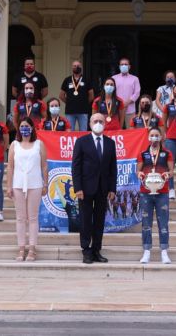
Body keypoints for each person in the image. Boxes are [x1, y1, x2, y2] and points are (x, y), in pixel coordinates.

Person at [71, 113, 117, 264]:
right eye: (95, 121)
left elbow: (113, 168)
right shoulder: (81, 141)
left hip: (103, 189)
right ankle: (86, 250)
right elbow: (76, 167)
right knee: (85, 220)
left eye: (101, 121)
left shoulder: (110, 143)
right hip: (84, 189)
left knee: (99, 220)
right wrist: (78, 188)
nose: (98, 123)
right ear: (90, 123)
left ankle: (97, 250)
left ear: (105, 124)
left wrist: (112, 189)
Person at [6, 117, 48, 262]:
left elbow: (44, 165)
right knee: (20, 217)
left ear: (32, 128)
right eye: (22, 126)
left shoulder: (39, 144)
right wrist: (8, 186)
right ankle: (21, 248)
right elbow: (10, 166)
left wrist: (45, 184)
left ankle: (32, 249)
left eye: (27, 126)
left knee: (33, 217)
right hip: (18, 184)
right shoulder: (14, 145)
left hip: (35, 184)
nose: (24, 128)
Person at [136, 127, 173, 264]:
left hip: (162, 191)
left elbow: (171, 171)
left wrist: (167, 174)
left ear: (161, 137)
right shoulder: (143, 154)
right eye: (152, 135)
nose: (154, 138)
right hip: (146, 191)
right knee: (146, 223)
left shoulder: (167, 153)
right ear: (148, 137)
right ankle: (146, 251)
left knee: (163, 222)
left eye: (157, 135)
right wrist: (139, 174)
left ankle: (164, 251)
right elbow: (138, 170)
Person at [60, 60, 94, 131]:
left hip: (83, 110)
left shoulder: (86, 79)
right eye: (74, 66)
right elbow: (61, 95)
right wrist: (69, 102)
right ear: (72, 68)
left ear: (81, 67)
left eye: (78, 66)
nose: (76, 67)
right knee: (70, 131)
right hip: (70, 111)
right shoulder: (67, 80)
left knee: (83, 131)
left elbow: (91, 95)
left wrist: (84, 102)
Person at [111, 57, 141, 128]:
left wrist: (126, 103)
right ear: (119, 66)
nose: (124, 66)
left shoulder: (135, 79)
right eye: (122, 64)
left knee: (130, 130)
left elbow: (137, 93)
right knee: (116, 130)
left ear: (129, 66)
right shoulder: (114, 78)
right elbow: (111, 92)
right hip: (116, 109)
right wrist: (120, 104)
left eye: (126, 64)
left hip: (130, 110)